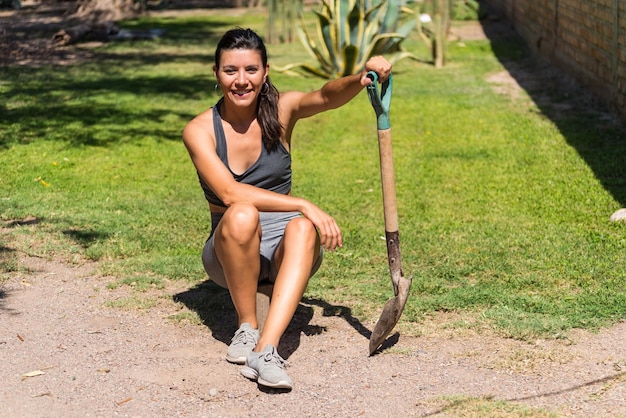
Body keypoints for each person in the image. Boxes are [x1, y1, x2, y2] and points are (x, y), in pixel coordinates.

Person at [183, 27, 391, 391]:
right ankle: (246, 328)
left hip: (285, 251)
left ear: (265, 73)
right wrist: (302, 203)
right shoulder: (200, 130)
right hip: (228, 251)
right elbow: (231, 193)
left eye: (251, 70)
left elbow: (326, 96)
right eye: (230, 70)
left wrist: (361, 79)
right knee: (244, 212)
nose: (241, 80)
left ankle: (265, 350)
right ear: (216, 73)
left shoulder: (282, 110)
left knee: (301, 227)